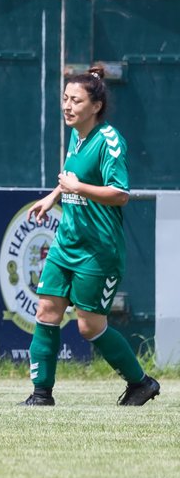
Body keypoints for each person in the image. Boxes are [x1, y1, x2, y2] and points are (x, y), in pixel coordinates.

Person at [21, 65, 161, 407]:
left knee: (89, 327)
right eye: (65, 98)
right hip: (67, 243)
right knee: (46, 310)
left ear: (95, 106)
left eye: (76, 101)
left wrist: (76, 187)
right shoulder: (77, 134)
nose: (67, 106)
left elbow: (120, 193)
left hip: (98, 250)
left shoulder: (110, 142)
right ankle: (41, 395)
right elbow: (70, 175)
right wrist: (53, 196)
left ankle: (141, 383)